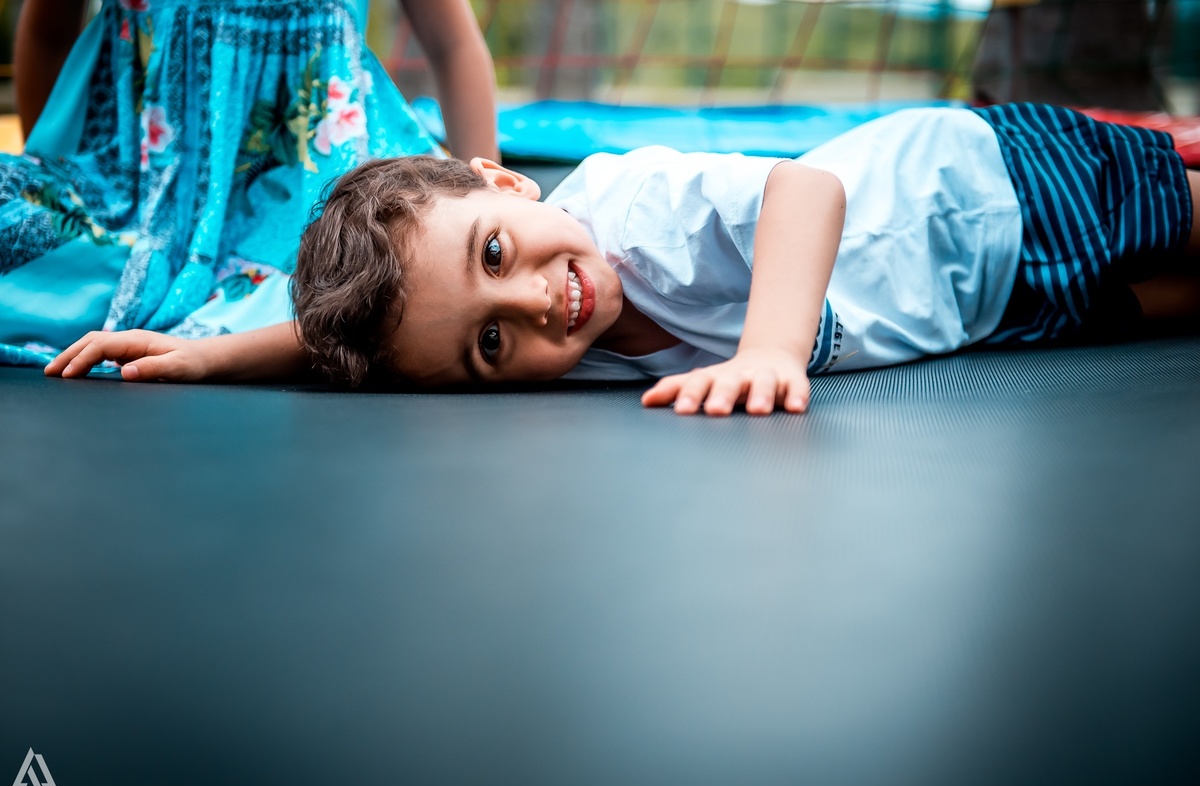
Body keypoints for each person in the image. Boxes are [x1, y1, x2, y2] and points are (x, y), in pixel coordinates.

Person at [46, 103, 1200, 416]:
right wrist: (203, 359)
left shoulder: (629, 207)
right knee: (1167, 306)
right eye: (489, 341)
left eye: (500, 250)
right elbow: (370, 337)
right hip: (997, 308)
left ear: (502, 182)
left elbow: (809, 187)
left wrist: (766, 349)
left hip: (992, 188)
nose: (540, 301)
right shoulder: (551, 349)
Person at [2, 0, 496, 368]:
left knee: (398, 283)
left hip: (317, 197)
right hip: (134, 194)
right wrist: (55, 191)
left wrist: (485, 200)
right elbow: (49, 28)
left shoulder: (343, 235)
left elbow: (452, 44)